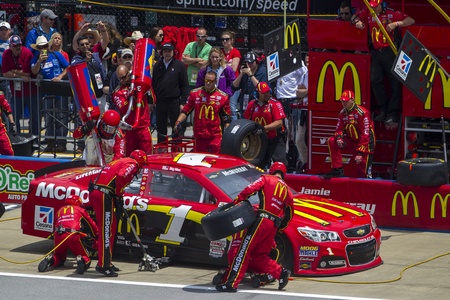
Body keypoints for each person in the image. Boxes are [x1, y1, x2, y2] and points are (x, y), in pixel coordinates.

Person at [215, 162, 294, 292]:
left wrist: (237, 202)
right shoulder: (288, 191)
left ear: (271, 171)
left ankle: (231, 283)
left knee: (243, 250)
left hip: (262, 220)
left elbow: (249, 190)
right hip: (273, 226)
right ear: (283, 174)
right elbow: (289, 214)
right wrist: (280, 227)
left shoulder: (266, 178)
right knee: (259, 256)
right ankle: (281, 273)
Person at [354, 0, 415, 125]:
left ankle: (393, 114)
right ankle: (383, 109)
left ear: (382, 4)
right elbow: (355, 17)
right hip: (376, 52)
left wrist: (396, 24)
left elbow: (411, 20)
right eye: (371, 6)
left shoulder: (391, 14)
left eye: (375, 6)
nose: (373, 9)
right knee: (375, 80)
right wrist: (358, 22)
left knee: (395, 83)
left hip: (391, 51)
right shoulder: (368, 12)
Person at [89, 149, 147, 277]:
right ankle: (103, 265)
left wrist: (117, 198)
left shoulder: (120, 161)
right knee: (106, 230)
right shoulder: (133, 163)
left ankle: (107, 261)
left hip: (99, 192)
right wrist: (119, 195)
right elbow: (121, 176)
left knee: (111, 227)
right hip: (103, 194)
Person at [38, 195, 98, 275]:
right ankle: (81, 259)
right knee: (85, 257)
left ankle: (51, 258)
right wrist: (97, 235)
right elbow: (91, 224)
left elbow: (55, 225)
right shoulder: (80, 209)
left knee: (59, 257)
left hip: (58, 235)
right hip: (73, 235)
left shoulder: (60, 210)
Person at [174, 71, 231, 154]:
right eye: (206, 80)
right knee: (199, 160)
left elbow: (227, 117)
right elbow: (186, 110)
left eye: (210, 81)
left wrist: (229, 132)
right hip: (199, 135)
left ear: (215, 82)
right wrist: (178, 122)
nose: (208, 83)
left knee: (216, 160)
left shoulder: (223, 97)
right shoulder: (195, 94)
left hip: (215, 136)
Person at [324, 90, 375, 178]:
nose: (344, 103)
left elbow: (366, 134)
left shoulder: (362, 113)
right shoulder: (342, 113)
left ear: (352, 100)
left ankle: (367, 189)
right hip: (351, 142)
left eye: (346, 101)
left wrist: (360, 153)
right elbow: (338, 129)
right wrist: (339, 137)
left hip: (365, 145)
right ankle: (337, 169)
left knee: (363, 174)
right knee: (332, 140)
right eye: (342, 101)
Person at [30, 36, 69, 153]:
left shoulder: (56, 55)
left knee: (61, 117)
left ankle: (62, 142)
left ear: (48, 46)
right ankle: (50, 142)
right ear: (38, 48)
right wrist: (39, 61)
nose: (44, 49)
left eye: (45, 46)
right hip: (46, 92)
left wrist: (61, 77)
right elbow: (34, 71)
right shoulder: (35, 58)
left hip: (60, 90)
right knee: (48, 118)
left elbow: (68, 67)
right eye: (41, 47)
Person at [243, 81, 287, 169]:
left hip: (274, 140)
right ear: (257, 93)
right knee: (255, 167)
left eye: (268, 91)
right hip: (258, 141)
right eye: (264, 93)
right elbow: (245, 121)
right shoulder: (251, 105)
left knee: (281, 165)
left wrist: (263, 128)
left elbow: (279, 123)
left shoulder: (275, 104)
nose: (267, 94)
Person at [152, 43, 190, 144]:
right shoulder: (157, 66)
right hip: (161, 101)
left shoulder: (179, 66)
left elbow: (185, 85)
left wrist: (183, 102)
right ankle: (161, 149)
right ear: (162, 52)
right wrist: (152, 100)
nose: (167, 53)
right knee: (161, 127)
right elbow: (153, 84)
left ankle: (176, 149)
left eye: (169, 51)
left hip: (174, 101)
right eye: (165, 51)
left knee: (176, 126)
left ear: (173, 52)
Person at [275, 58, 309, 169]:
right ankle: (288, 159)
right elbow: (300, 89)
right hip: (281, 100)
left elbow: (301, 89)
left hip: (295, 102)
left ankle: (298, 160)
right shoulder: (278, 61)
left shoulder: (296, 61)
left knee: (295, 135)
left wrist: (305, 91)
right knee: (285, 133)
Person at [112, 65, 152, 155]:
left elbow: (152, 99)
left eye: (123, 77)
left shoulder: (140, 84)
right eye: (119, 79)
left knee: (147, 156)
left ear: (128, 74)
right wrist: (130, 97)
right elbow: (123, 109)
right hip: (130, 130)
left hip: (143, 127)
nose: (122, 80)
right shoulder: (118, 93)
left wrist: (141, 90)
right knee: (130, 157)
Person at [2, 35, 36, 135]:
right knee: (15, 116)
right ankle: (16, 136)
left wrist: (14, 71)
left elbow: (27, 73)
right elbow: (5, 73)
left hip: (31, 90)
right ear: (10, 46)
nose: (18, 47)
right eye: (15, 45)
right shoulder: (6, 54)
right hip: (16, 92)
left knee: (34, 116)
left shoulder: (27, 53)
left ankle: (34, 137)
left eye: (20, 45)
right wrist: (20, 76)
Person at [71, 35, 108, 114]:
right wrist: (86, 61)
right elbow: (76, 70)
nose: (85, 46)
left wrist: (105, 85)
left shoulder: (95, 56)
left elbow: (101, 72)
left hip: (100, 93)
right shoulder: (76, 59)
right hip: (87, 96)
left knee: (104, 118)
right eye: (82, 45)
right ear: (78, 47)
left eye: (87, 44)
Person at [232, 51, 268, 117]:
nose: (249, 65)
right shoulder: (244, 72)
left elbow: (262, 88)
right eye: (247, 62)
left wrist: (251, 75)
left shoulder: (263, 72)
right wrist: (241, 74)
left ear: (256, 62)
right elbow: (234, 87)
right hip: (245, 105)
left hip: (258, 104)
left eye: (251, 62)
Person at [220, 30, 241, 120]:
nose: (224, 41)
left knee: (232, 107)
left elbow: (233, 69)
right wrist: (227, 65)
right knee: (221, 106)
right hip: (222, 82)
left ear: (231, 40)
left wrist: (223, 64)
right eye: (223, 39)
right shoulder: (220, 52)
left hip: (233, 83)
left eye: (227, 39)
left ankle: (233, 130)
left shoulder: (235, 52)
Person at [0, 90, 16, 155]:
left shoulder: (0, 96)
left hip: (1, 132)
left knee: (9, 152)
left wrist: (13, 123)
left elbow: (8, 110)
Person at [0, 21, 12, 103]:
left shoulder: (14, 42)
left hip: (8, 73)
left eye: (5, 29)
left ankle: (8, 116)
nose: (3, 31)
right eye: (1, 29)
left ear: (9, 31)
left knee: (8, 100)